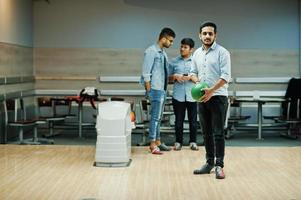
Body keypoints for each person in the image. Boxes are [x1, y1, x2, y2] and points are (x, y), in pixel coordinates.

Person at [190, 21, 231, 179]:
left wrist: (211, 91)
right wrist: (198, 82)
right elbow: (192, 73)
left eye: (210, 33)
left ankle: (219, 166)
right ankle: (209, 163)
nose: (207, 36)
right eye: (204, 33)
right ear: (199, 35)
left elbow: (225, 76)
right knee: (206, 133)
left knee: (218, 133)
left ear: (215, 35)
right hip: (202, 97)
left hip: (218, 97)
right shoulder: (197, 54)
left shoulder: (223, 52)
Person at [141, 27, 176, 155]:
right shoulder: (151, 51)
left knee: (159, 118)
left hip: (162, 89)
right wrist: (149, 91)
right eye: (170, 41)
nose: (171, 44)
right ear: (163, 38)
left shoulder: (163, 53)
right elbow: (146, 73)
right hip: (155, 89)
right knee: (155, 118)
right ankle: (152, 144)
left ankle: (158, 142)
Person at [169, 38, 199, 151]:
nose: (182, 49)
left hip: (192, 95)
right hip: (178, 95)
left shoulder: (196, 62)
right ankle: (178, 142)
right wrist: (175, 77)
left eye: (185, 47)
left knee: (193, 121)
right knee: (178, 121)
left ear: (191, 49)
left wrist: (192, 78)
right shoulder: (174, 61)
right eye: (181, 46)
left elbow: (201, 78)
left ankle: (193, 142)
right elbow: (167, 79)